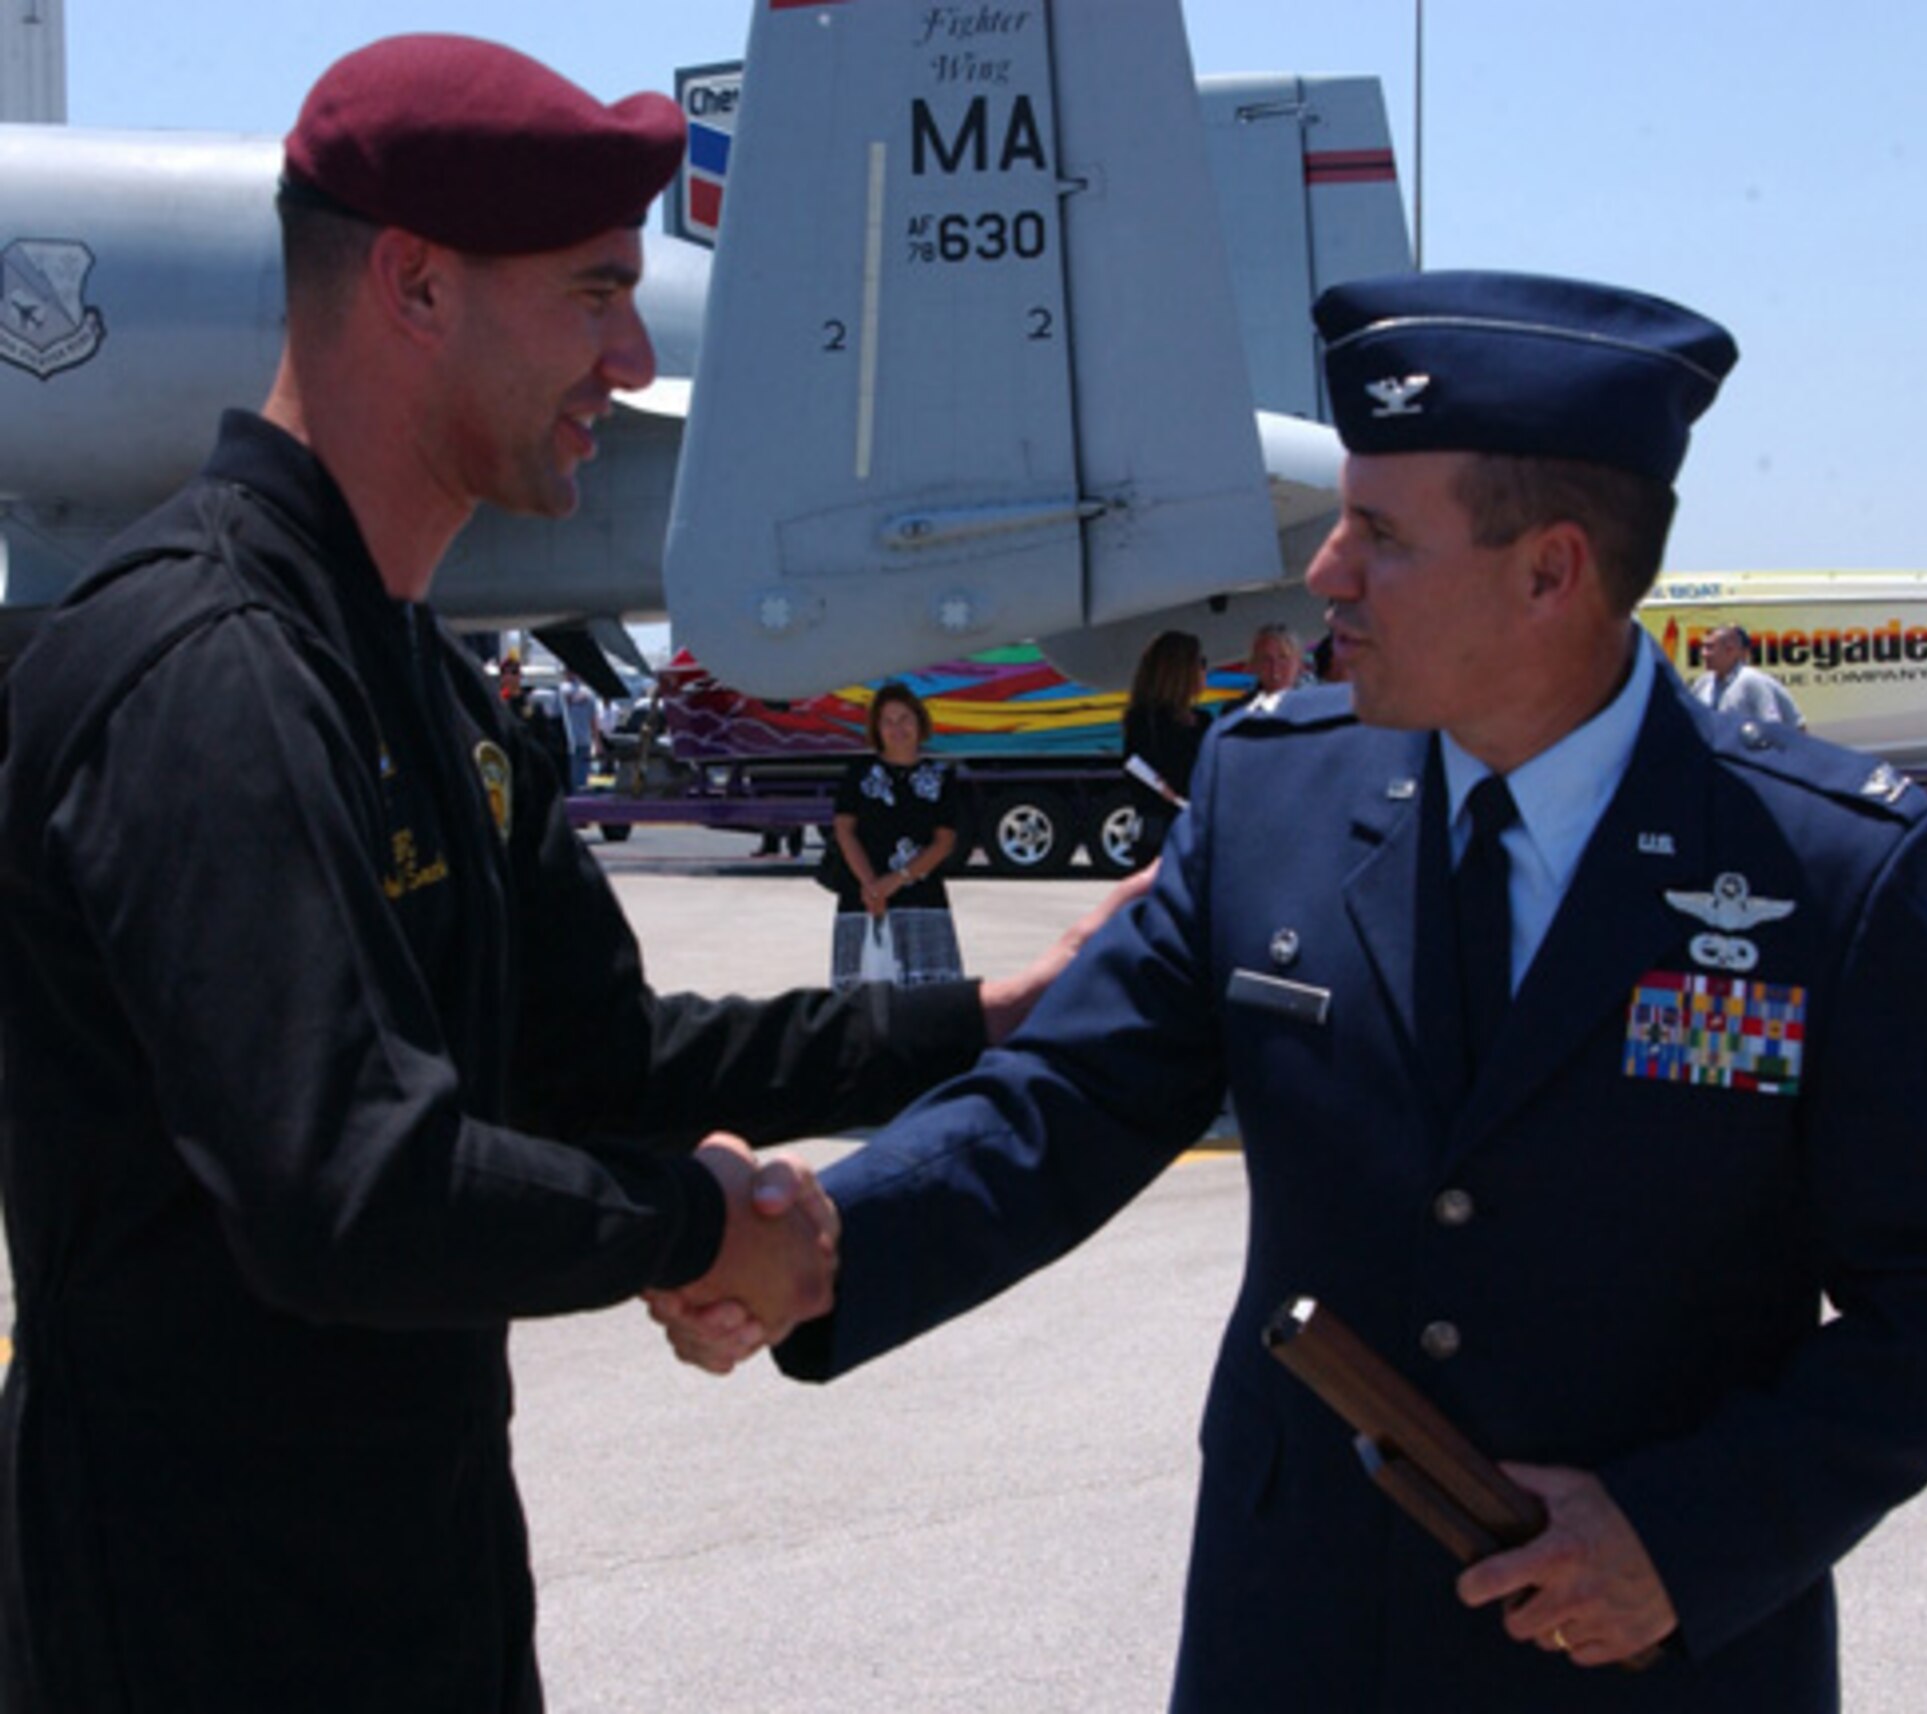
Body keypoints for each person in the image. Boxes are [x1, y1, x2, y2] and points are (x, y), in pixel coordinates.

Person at [658, 272, 1927, 1711]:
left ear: (1551, 572)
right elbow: (1073, 1096)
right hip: (1297, 1631)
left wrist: (1690, 1533)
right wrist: (837, 1241)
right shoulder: (1271, 793)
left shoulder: (1819, 868)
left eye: (1380, 534)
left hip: (1640, 1659)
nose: (1327, 574)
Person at [0, 35, 1121, 1714]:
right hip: (187, 1630)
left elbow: (599, 1058)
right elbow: (349, 1192)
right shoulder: (211, 677)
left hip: (417, 1600)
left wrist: (979, 1018)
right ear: (417, 285)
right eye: (594, 290)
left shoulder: (420, 678)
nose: (634, 350)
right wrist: (704, 1223)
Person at [829, 681, 964, 990]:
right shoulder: (859, 773)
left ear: (919, 723)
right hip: (863, 899)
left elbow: (943, 842)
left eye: (905, 719)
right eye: (888, 721)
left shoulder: (940, 776)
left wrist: (896, 879)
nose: (897, 728)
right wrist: (872, 886)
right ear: (877, 728)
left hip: (921, 898)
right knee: (862, 1001)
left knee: (928, 1001)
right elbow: (844, 830)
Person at [1122, 628, 1213, 863]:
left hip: (1194, 829)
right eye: (1200, 662)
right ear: (1180, 670)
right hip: (1162, 834)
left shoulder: (1203, 720)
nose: (1205, 671)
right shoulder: (1147, 721)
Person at [1692, 622, 1807, 729]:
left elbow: (1773, 727)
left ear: (1730, 651)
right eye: (1703, 647)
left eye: (1710, 648)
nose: (1703, 654)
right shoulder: (1703, 684)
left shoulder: (1750, 681)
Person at [1222, 621, 1307, 714]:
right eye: (1266, 659)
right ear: (1254, 665)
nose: (1275, 667)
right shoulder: (1236, 713)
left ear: (1299, 664)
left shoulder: (1316, 706)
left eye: (1283, 658)